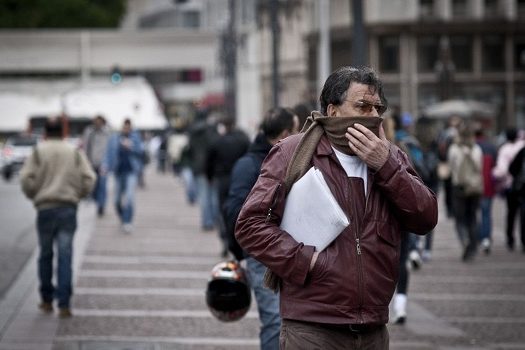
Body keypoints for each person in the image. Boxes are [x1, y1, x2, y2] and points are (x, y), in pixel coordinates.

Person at [235, 66, 438, 349]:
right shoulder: (292, 152)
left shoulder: (392, 156)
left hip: (373, 328)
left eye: (377, 108)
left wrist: (386, 166)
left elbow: (426, 217)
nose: (371, 115)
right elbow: (249, 225)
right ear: (332, 110)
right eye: (362, 106)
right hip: (312, 326)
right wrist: (306, 261)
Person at [224, 107, 299, 350]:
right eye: (297, 130)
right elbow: (234, 211)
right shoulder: (249, 164)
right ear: (285, 134)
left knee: (293, 322)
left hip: (291, 250)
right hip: (262, 254)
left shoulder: (291, 159)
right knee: (275, 321)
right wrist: (242, 251)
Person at [20, 117, 96, 318]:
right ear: (62, 132)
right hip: (67, 208)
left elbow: (25, 178)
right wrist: (78, 195)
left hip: (45, 208)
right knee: (65, 255)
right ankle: (64, 303)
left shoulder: (39, 151)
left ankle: (46, 300)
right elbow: (89, 178)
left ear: (45, 132)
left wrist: (34, 194)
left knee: (45, 254)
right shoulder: (73, 151)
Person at [206, 115, 250, 257]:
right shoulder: (243, 140)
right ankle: (238, 239)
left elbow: (209, 161)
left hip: (222, 179)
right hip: (239, 179)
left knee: (223, 212)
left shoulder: (217, 141)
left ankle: (225, 239)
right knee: (239, 210)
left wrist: (210, 177)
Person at [448, 122, 483, 262]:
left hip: (460, 187)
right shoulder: (477, 149)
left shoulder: (454, 149)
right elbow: (479, 167)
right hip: (475, 188)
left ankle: (465, 240)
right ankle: (473, 248)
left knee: (460, 219)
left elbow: (451, 167)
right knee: (473, 218)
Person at [103, 118, 144, 234]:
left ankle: (128, 221)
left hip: (131, 171)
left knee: (129, 198)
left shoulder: (135, 138)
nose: (126, 129)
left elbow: (141, 152)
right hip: (118, 172)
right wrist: (105, 165)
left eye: (128, 127)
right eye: (124, 127)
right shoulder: (115, 138)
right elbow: (108, 153)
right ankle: (123, 217)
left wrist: (130, 146)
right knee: (116, 200)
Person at [492, 128, 525, 251]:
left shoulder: (504, 149)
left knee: (511, 213)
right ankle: (523, 240)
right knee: (523, 214)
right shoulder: (522, 146)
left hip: (510, 186)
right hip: (523, 186)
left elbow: (502, 170)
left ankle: (510, 239)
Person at [82, 115, 111, 217]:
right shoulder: (89, 131)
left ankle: (101, 206)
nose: (97, 124)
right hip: (91, 162)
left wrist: (108, 162)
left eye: (99, 122)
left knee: (102, 185)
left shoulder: (107, 133)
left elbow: (109, 148)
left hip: (103, 163)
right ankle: (95, 200)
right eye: (96, 122)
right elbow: (85, 146)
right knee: (93, 185)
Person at [475, 127, 497, 254]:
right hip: (488, 185)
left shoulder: (472, 147)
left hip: (474, 186)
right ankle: (486, 238)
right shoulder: (491, 147)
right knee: (486, 213)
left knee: (474, 214)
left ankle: (478, 236)